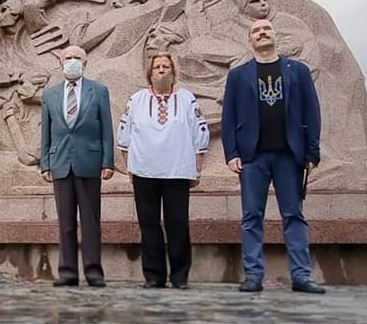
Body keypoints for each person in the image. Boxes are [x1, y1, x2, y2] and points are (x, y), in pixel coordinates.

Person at [222, 18, 325, 293]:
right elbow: (228, 117)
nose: (262, 33)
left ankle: (302, 276)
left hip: (289, 156)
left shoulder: (298, 71)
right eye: (256, 31)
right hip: (252, 157)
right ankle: (253, 275)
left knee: (293, 215)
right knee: (251, 216)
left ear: (274, 35)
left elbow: (312, 113)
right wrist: (231, 153)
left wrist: (312, 152)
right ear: (250, 40)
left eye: (266, 29)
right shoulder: (238, 75)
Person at [117, 52, 209, 289]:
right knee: (148, 225)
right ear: (149, 72)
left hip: (177, 172)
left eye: (166, 66)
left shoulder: (187, 98)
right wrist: (131, 167)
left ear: (173, 71)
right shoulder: (136, 99)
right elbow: (124, 137)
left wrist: (197, 169)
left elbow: (200, 134)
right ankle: (154, 276)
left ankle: (179, 277)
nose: (161, 70)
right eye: (157, 66)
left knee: (177, 224)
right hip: (144, 173)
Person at [40, 46, 114, 287]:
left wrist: (107, 161)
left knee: (91, 221)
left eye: (77, 58)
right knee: (66, 222)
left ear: (85, 62)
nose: (73, 61)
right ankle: (67, 272)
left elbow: (106, 128)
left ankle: (94, 272)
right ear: (60, 63)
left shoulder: (99, 91)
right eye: (68, 58)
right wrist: (45, 163)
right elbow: (46, 133)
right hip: (60, 163)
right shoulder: (50, 95)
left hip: (90, 163)